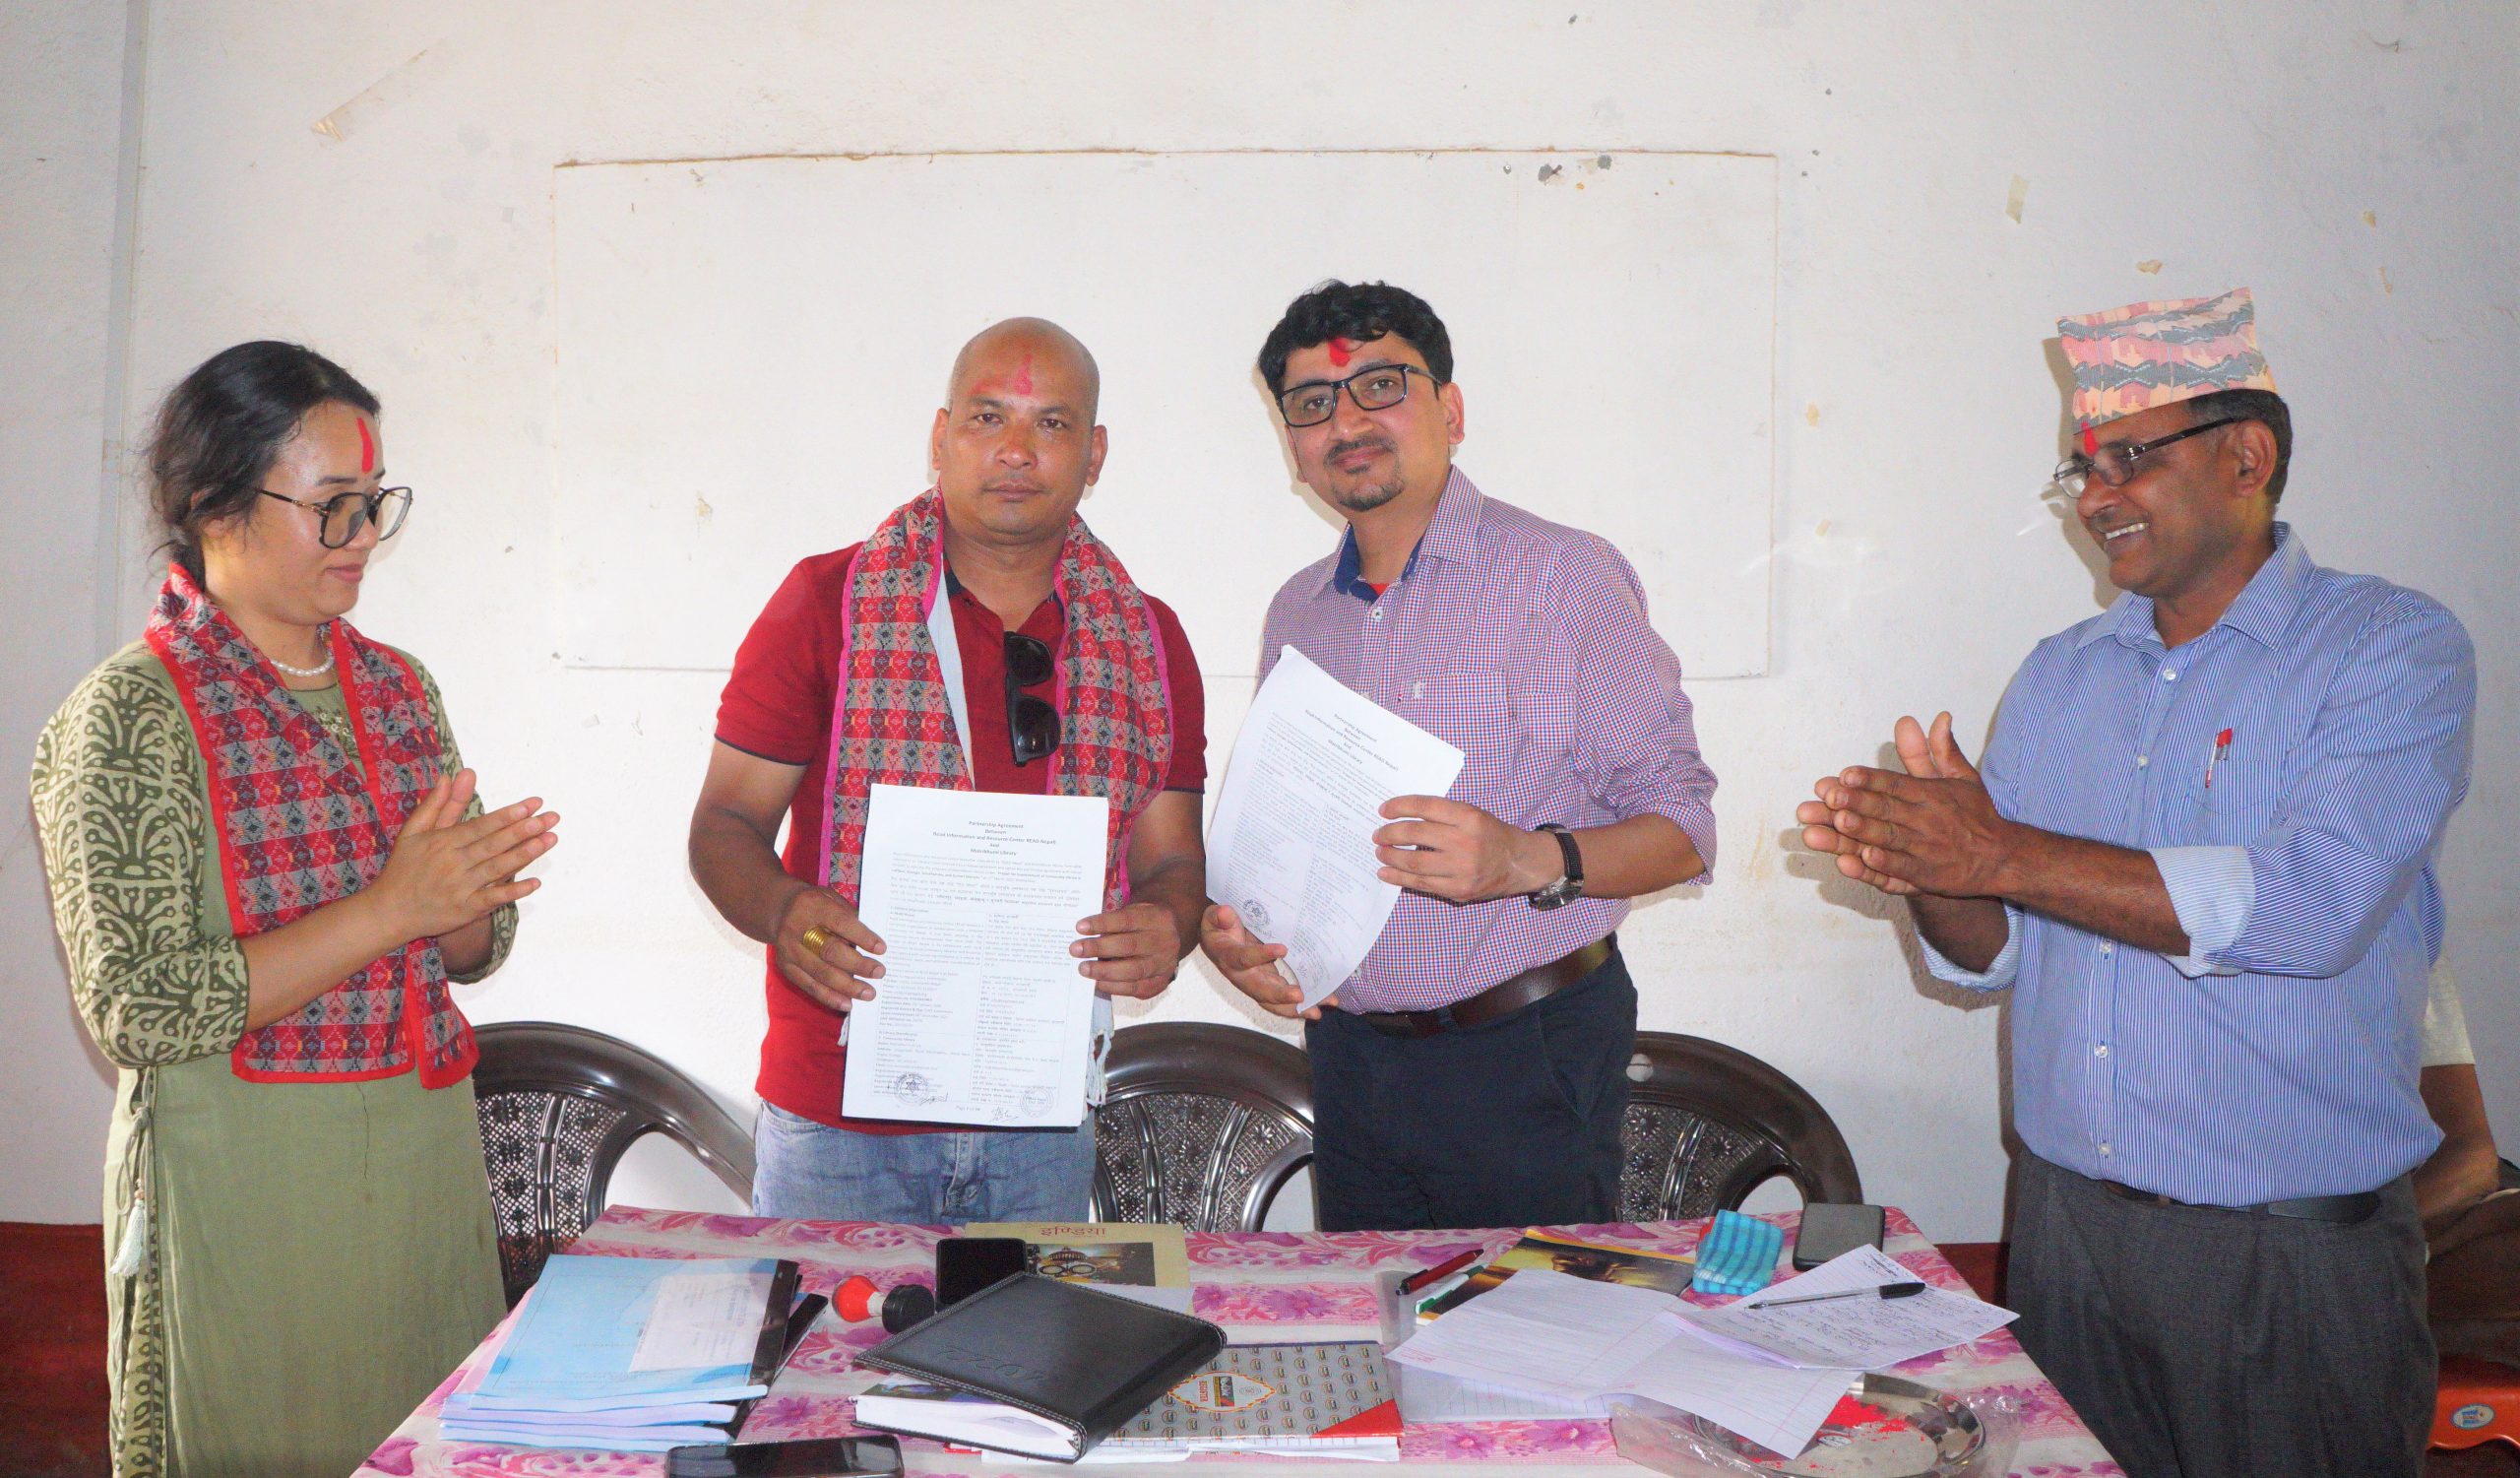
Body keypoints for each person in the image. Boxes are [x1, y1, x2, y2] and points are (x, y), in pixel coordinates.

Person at [1796, 288, 2474, 1478]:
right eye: (2078, 470)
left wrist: (1992, 848)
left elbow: (2309, 910)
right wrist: (1929, 863)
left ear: (2246, 456)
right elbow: (1995, 950)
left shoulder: (2386, 648)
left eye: (2125, 460)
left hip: (2285, 1266)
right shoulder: (2061, 676)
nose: (2095, 496)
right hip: (2063, 1235)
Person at [30, 342, 559, 1477]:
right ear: (214, 502)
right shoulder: (128, 716)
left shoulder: (398, 685)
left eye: (375, 505)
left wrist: (461, 899)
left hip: (419, 1178)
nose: (363, 537)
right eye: (332, 507)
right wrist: (390, 906)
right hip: (248, 1195)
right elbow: (139, 1009)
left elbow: (470, 950)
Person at [1201, 281, 1718, 1232]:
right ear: (1294, 445)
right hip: (1352, 1062)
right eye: (1313, 403)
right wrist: (1243, 935)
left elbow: (1685, 830)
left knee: (1531, 1356)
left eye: (1381, 385)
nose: (1346, 420)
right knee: (1377, 1331)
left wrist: (1527, 858)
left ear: (1452, 408)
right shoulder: (1298, 612)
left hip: (1527, 1055)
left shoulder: (1566, 575)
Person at [687, 317, 1207, 1223]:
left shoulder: (1148, 640)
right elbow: (723, 826)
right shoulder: (826, 603)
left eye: (1051, 424)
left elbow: (1175, 864)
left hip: (1042, 1120)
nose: (1015, 450)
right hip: (837, 1117)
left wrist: (1167, 923)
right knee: (823, 1365)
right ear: (939, 437)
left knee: (1026, 1362)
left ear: (1096, 454)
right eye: (987, 417)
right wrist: (783, 911)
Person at [2415, 958, 2520, 1365]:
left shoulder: (2401, 934)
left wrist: (2399, 1244)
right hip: (2277, 1232)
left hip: (2414, 1214)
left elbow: (2471, 1159)